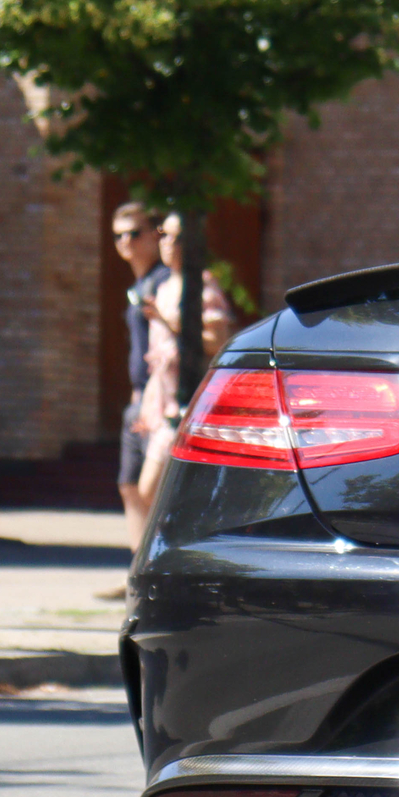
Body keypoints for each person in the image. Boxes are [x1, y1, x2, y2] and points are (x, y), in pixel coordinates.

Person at [129, 212, 234, 520]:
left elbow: (217, 340)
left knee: (152, 490)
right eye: (164, 235)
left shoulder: (202, 284)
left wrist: (167, 320)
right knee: (150, 491)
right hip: (165, 406)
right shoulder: (164, 287)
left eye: (177, 237)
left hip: (192, 406)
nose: (168, 243)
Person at [103, 205, 171, 597]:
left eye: (135, 233)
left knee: (151, 488)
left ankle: (157, 574)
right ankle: (137, 573)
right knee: (129, 485)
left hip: (159, 404)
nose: (126, 242)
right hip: (139, 400)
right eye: (118, 235)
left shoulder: (164, 282)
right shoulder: (140, 283)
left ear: (155, 234)